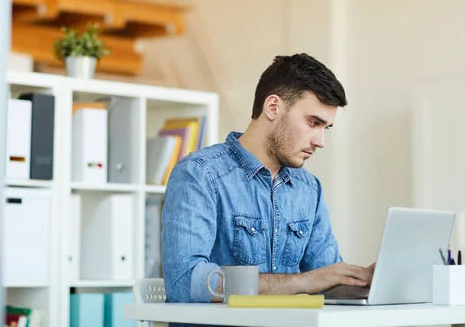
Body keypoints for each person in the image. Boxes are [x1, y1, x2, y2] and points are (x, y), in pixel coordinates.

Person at [160, 53, 373, 308]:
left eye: (324, 128)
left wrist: (369, 281)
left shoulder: (309, 189)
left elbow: (326, 280)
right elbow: (184, 283)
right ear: (273, 107)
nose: (320, 141)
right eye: (313, 122)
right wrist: (300, 282)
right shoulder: (199, 175)